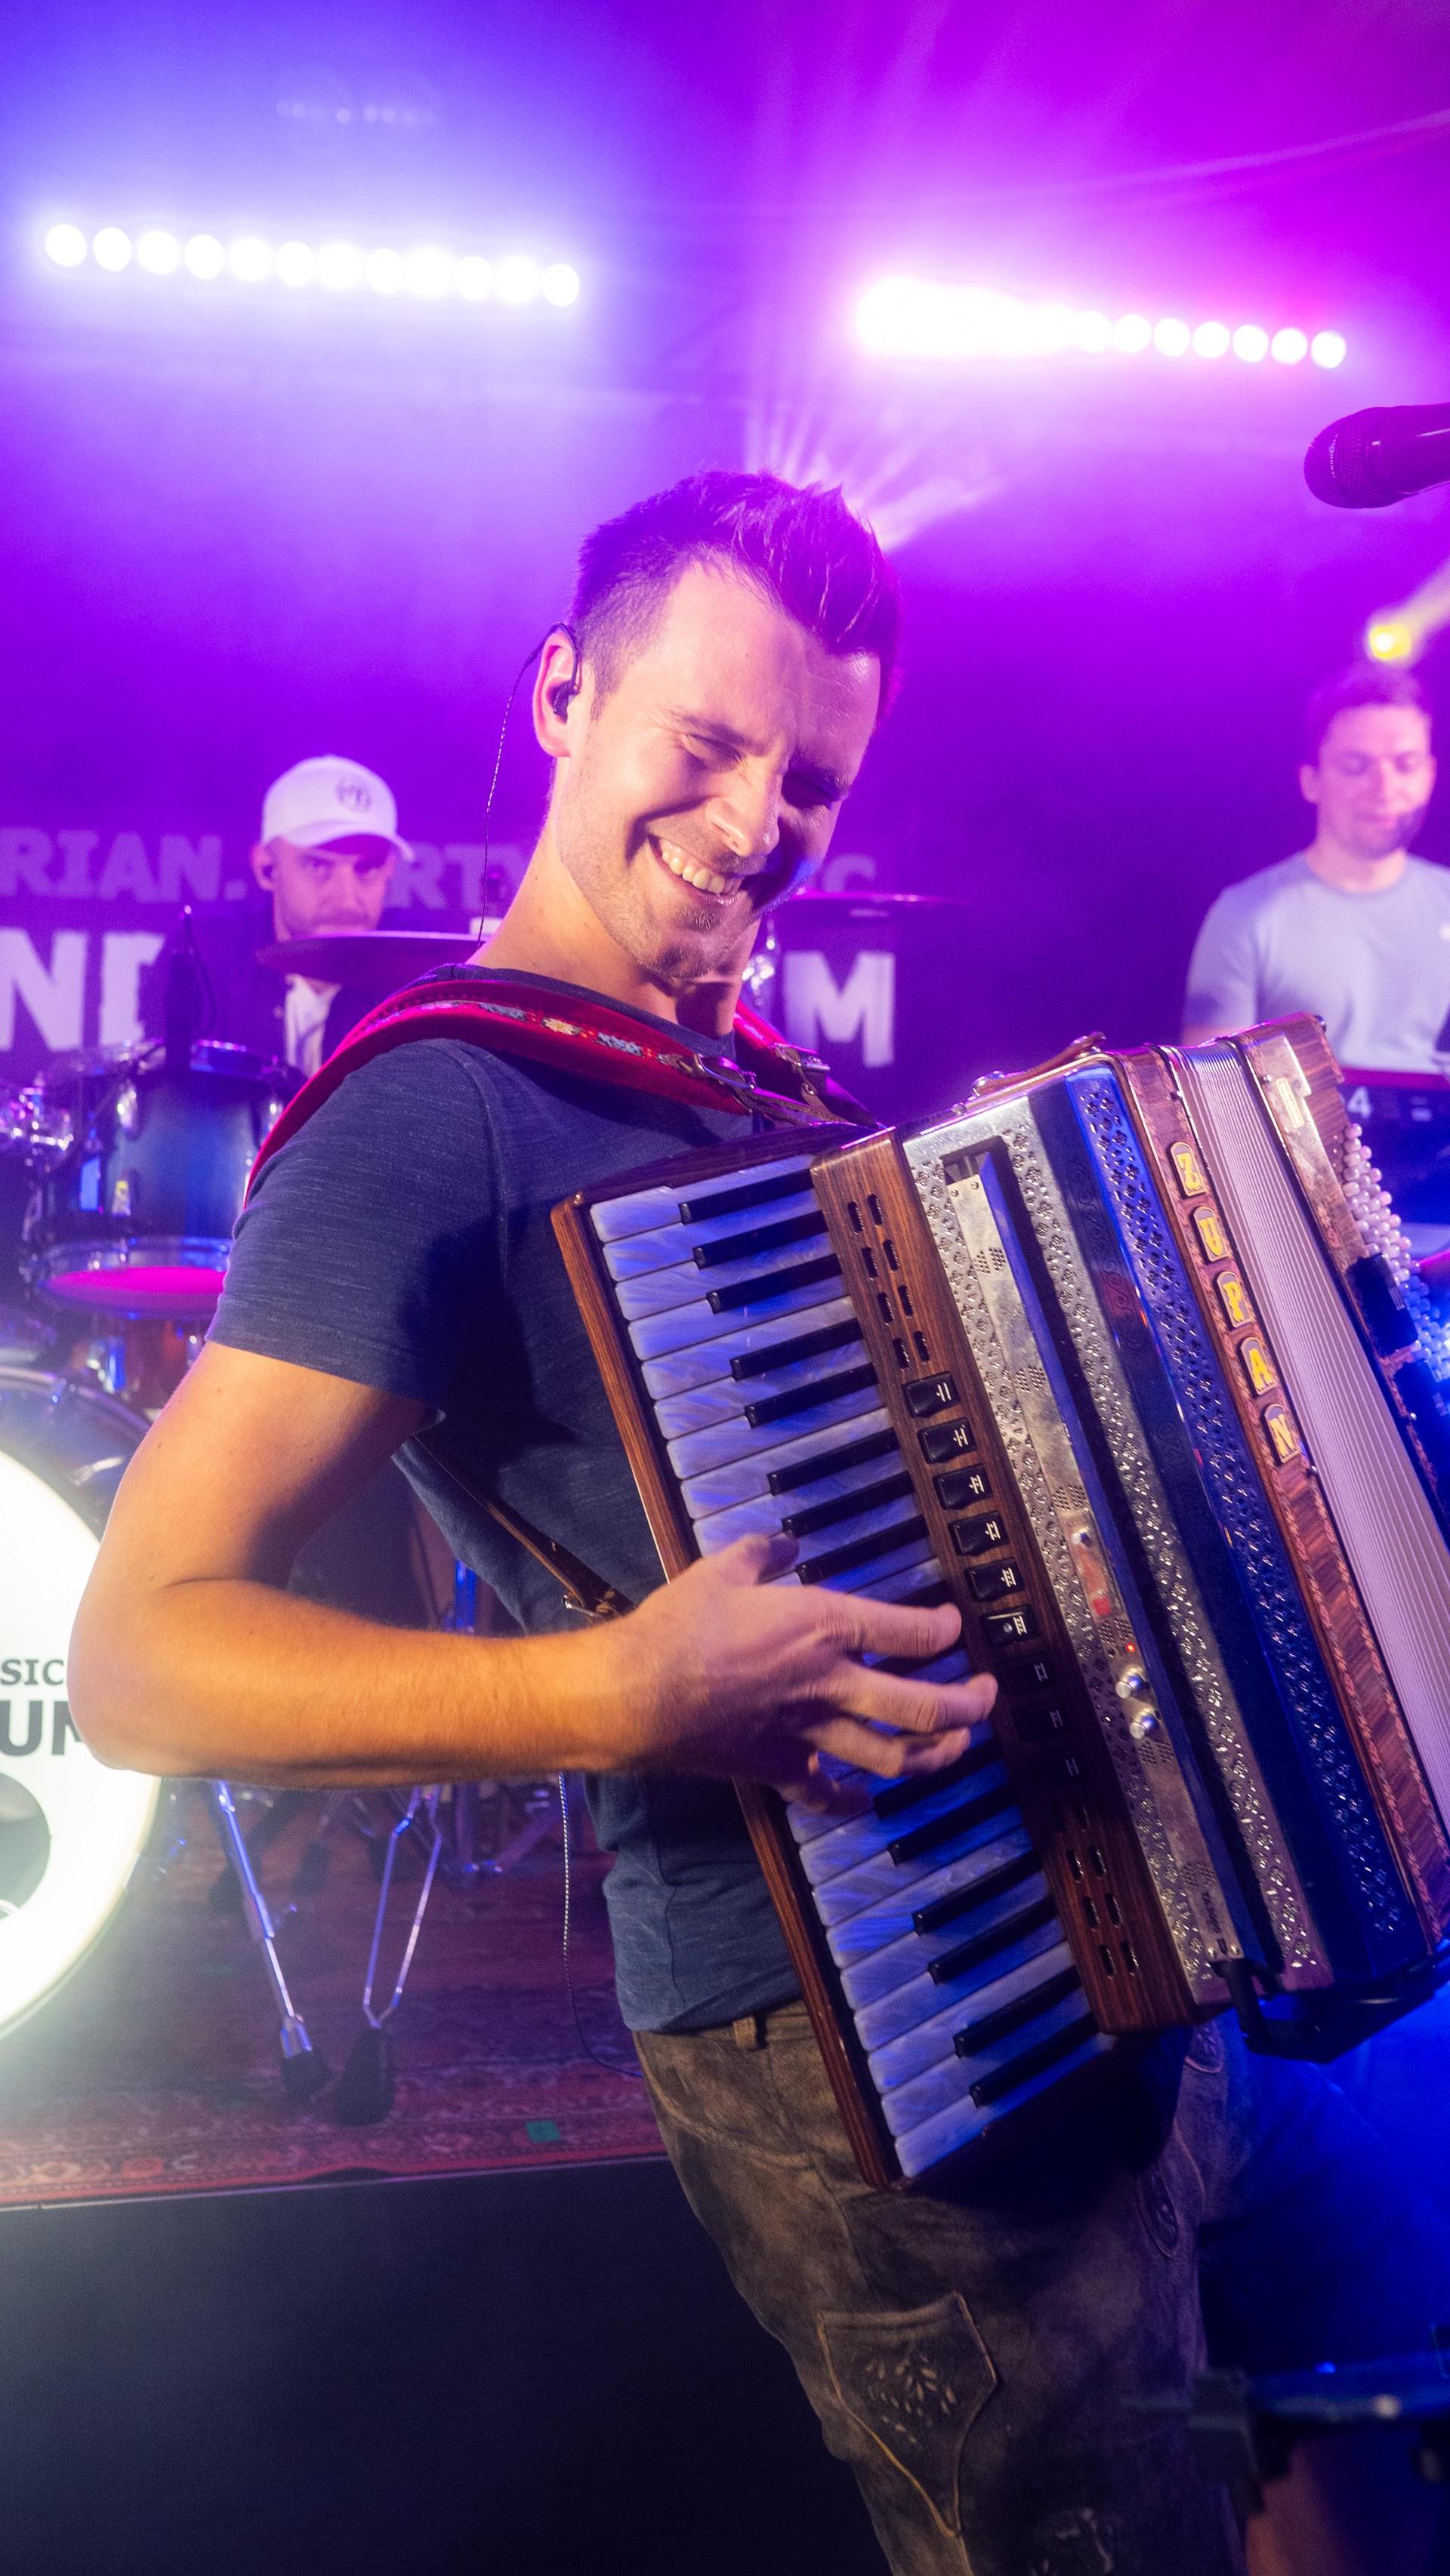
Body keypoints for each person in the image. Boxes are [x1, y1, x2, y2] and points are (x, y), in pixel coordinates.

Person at [72, 476, 1450, 2576]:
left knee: (1323, 2462)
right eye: (702, 746)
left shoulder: (776, 1103)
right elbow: (139, 1652)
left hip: (1139, 1975)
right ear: (563, 694)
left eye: (809, 778)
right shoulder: (437, 1107)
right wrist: (623, 1687)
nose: (751, 823)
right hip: (874, 2041)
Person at [1183, 665, 1446, 1066]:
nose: (1385, 788)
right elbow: (1206, 1090)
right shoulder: (1244, 916)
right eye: (1356, 767)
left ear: (1430, 774)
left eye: (1405, 765)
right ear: (1312, 781)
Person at [142, 753, 407, 1074]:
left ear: (390, 869)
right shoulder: (207, 948)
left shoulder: (424, 971)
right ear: (267, 867)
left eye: (368, 867)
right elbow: (171, 1104)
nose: (346, 898)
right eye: (317, 864)